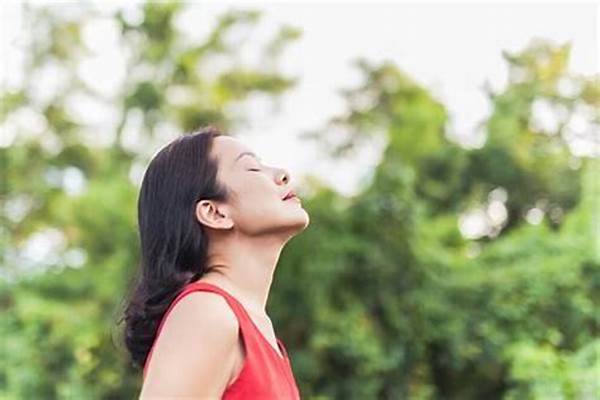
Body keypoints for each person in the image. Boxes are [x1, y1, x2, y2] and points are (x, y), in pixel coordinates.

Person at [119, 126, 310, 398]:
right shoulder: (206, 312)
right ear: (215, 213)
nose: (283, 174)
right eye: (252, 168)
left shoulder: (257, 328)